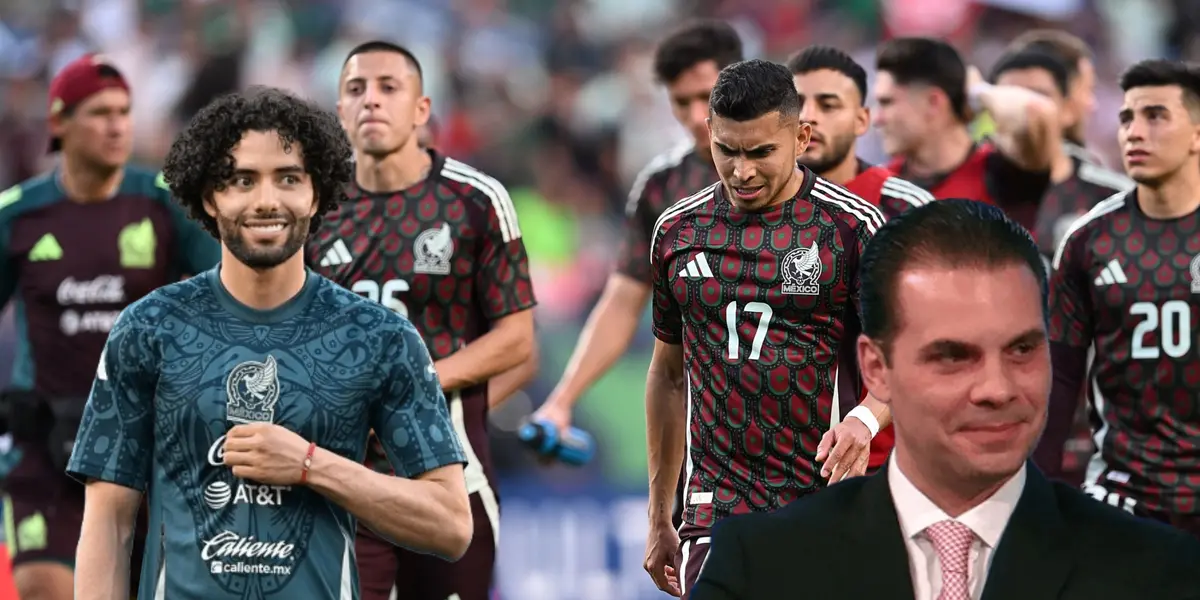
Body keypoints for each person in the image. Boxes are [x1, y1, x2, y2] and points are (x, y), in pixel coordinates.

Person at [67, 86, 473, 600]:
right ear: (210, 197)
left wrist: (310, 464)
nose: (265, 200)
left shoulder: (382, 338)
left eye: (288, 178)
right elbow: (109, 525)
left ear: (318, 193)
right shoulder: (148, 329)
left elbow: (451, 525)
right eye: (241, 180)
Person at [690, 199, 1200, 600]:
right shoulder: (761, 569)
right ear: (876, 369)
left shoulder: (1157, 573)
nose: (998, 389)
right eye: (954, 357)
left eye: (1022, 349)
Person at [643, 58, 888, 598]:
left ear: (800, 138)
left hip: (818, 502)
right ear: (709, 133)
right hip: (713, 511)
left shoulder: (851, 228)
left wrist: (866, 419)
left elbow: (905, 356)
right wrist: (661, 512)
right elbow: (667, 376)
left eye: (760, 152)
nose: (741, 171)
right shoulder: (677, 231)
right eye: (727, 150)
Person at [305, 41, 536, 600]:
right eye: (356, 90)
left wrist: (422, 381)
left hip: (452, 470)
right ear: (339, 110)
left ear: (421, 108)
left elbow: (517, 339)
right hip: (346, 474)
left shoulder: (475, 200)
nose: (371, 102)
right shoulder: (313, 207)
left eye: (389, 88)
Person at [0, 53, 219, 600]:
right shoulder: (19, 215)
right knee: (44, 588)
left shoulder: (165, 203)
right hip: (42, 445)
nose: (118, 124)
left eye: (124, 110)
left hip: (146, 444)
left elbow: (231, 293)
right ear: (59, 123)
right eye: (99, 112)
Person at [534, 18, 742, 488]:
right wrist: (563, 399)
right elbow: (622, 302)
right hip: (705, 435)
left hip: (807, 427)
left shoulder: (810, 176)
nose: (694, 116)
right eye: (680, 101)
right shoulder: (662, 188)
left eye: (705, 97)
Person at [1041, 59, 1200, 540]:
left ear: (1196, 134)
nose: (1134, 131)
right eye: (1127, 118)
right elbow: (1061, 375)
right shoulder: (1090, 241)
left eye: (1155, 116)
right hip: (1126, 493)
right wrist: (1040, 487)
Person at [787, 44, 935, 472]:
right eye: (797, 104)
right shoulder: (753, 212)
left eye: (828, 104)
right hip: (778, 473)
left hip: (891, 466)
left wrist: (868, 419)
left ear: (862, 120)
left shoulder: (907, 210)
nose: (809, 116)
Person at [873, 37, 1059, 232]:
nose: (877, 119)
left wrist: (978, 93)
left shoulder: (1002, 172)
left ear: (934, 102)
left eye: (887, 102)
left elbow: (1039, 113)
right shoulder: (883, 187)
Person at [989, 47, 1133, 266]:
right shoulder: (960, 189)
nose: (1027, 110)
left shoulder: (1115, 198)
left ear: (1067, 110)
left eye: (1039, 96)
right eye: (1010, 99)